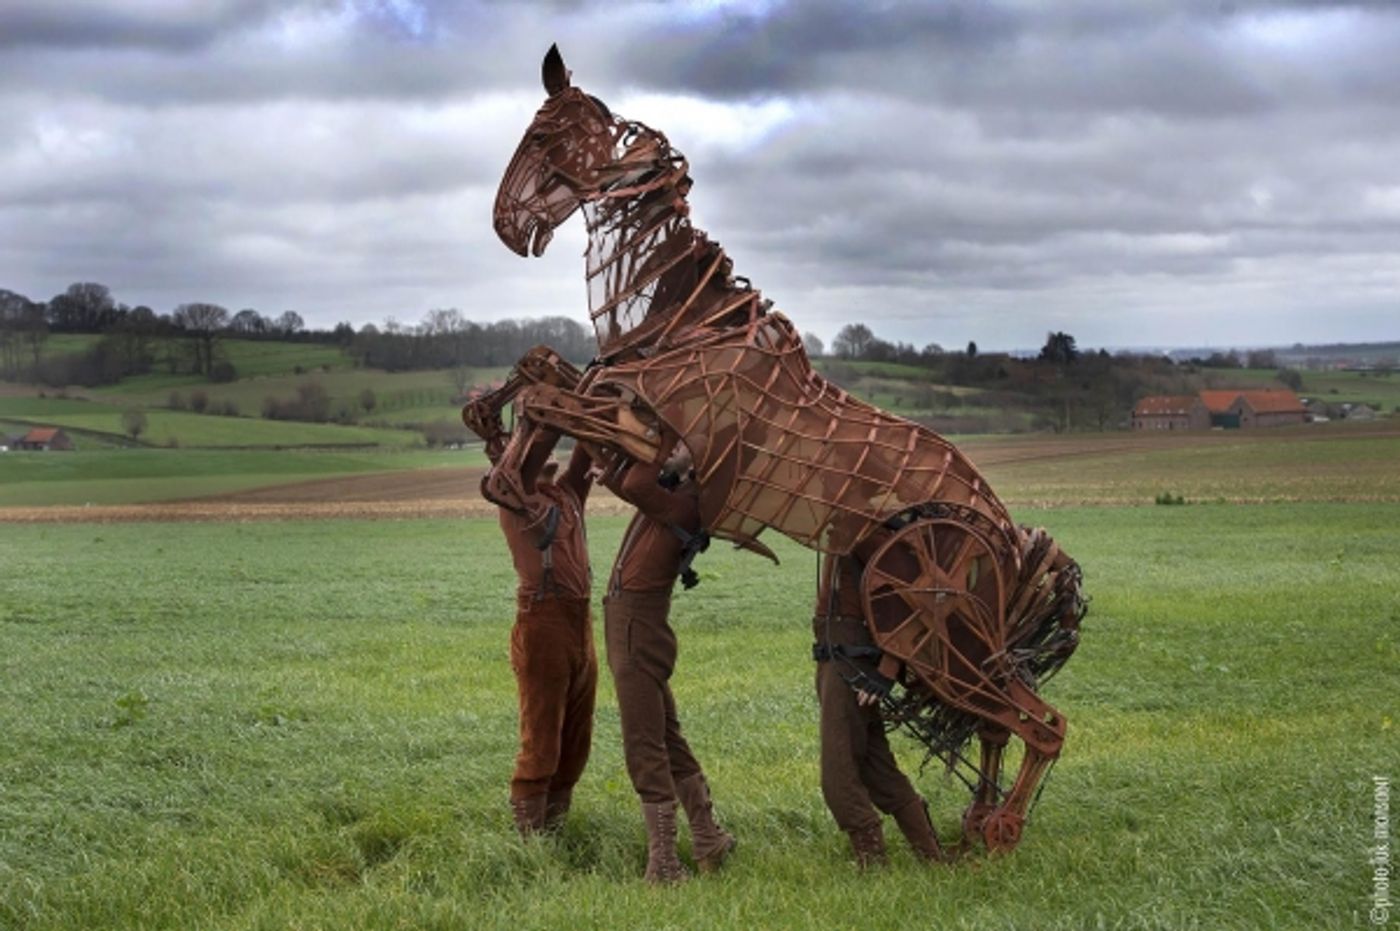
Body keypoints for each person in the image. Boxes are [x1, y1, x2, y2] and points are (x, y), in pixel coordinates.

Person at [600, 451, 736, 884]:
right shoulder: (679, 497)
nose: (676, 453)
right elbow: (627, 484)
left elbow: (637, 485)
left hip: (636, 630)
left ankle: (664, 864)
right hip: (635, 627)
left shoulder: (687, 505)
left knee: (644, 745)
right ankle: (708, 837)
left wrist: (660, 448)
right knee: (666, 737)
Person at [811, 552, 945, 867]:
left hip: (850, 664)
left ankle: (872, 862)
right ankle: (931, 855)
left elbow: (916, 603)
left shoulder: (872, 534)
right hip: (835, 657)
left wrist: (886, 672)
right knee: (877, 767)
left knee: (838, 771)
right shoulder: (848, 532)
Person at [495, 443, 598, 837]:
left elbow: (586, 448)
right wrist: (544, 421)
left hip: (580, 621)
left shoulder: (568, 494)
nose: (551, 449)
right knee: (541, 739)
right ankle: (530, 845)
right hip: (543, 620)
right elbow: (532, 449)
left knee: (577, 739)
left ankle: (554, 833)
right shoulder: (514, 494)